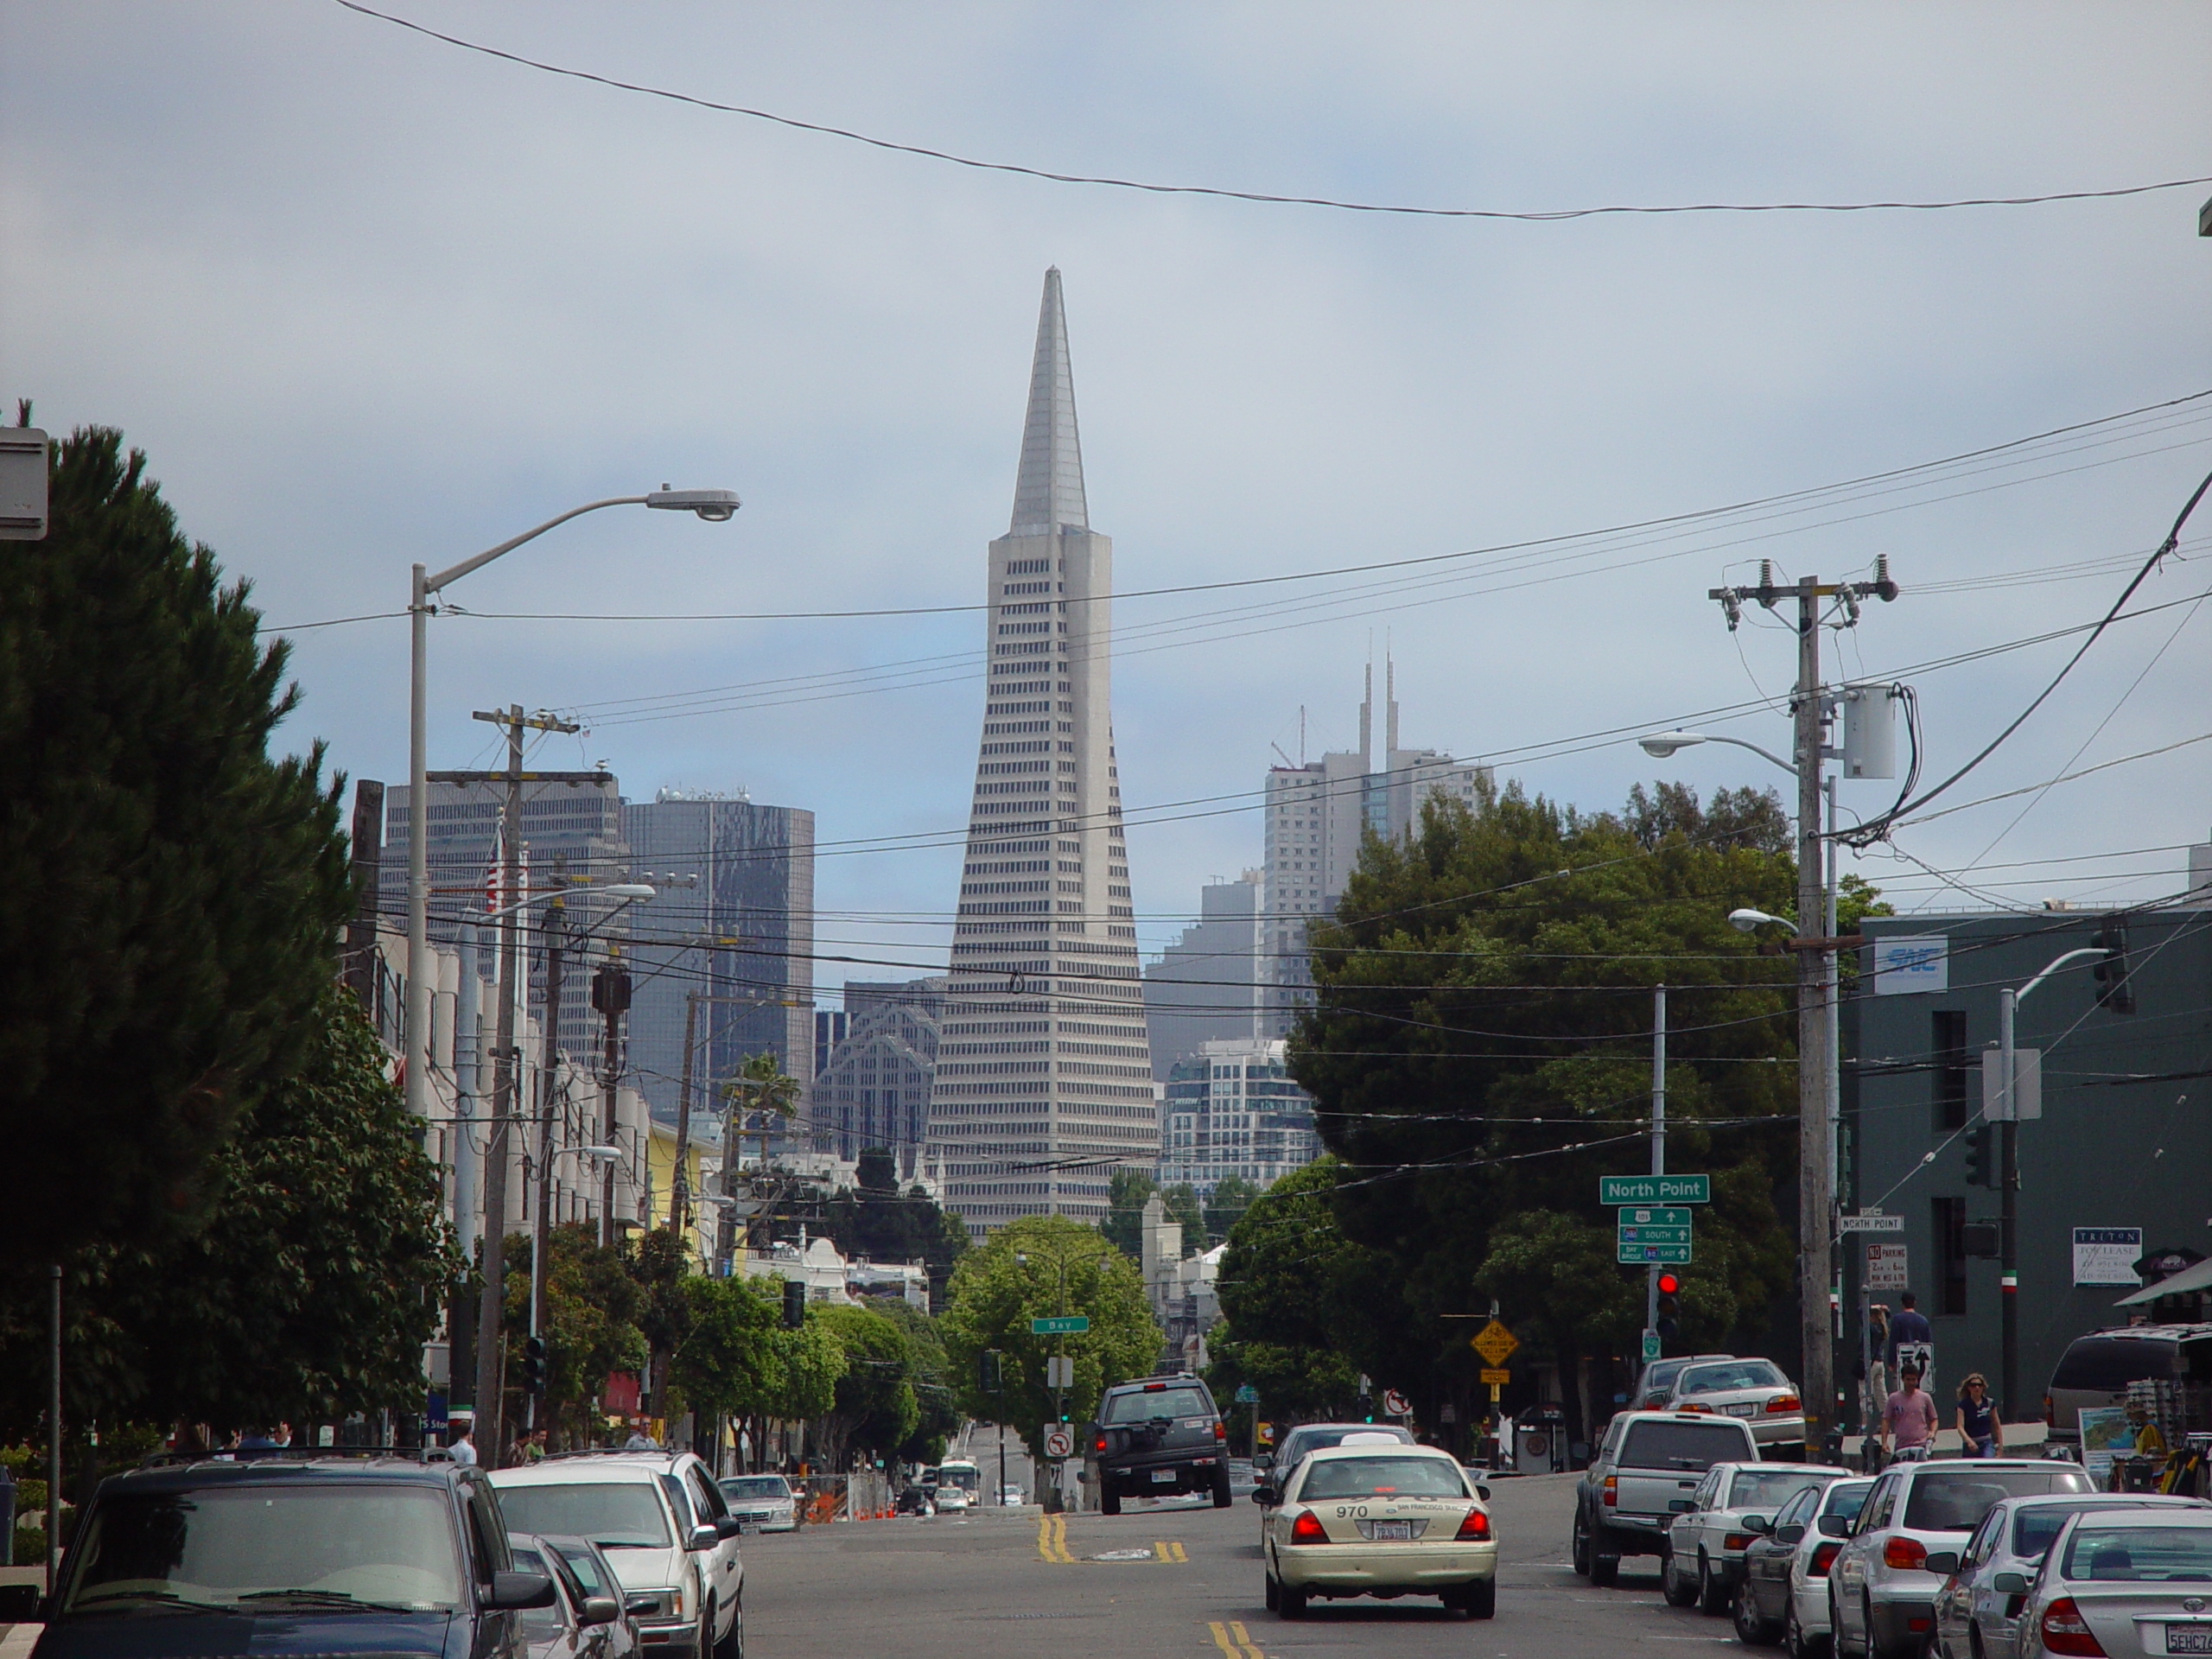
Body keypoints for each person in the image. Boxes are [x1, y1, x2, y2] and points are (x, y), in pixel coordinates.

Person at [1882, 1361, 1938, 1463]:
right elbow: (1886, 1420)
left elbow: (1934, 1419)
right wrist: (1884, 1442)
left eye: (1913, 1379)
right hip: (1901, 1445)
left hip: (1921, 1445)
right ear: (1903, 1379)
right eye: (1908, 1379)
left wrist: (1932, 1432)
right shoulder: (1893, 1398)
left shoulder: (1925, 1397)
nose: (1911, 1383)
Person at [1888, 1291, 1935, 1395]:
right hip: (1921, 1363)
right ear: (1915, 1303)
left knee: (1900, 1391)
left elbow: (1893, 1341)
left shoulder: (1897, 1319)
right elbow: (1928, 1343)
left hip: (1903, 1360)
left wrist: (1891, 1362)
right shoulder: (1923, 1321)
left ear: (1902, 1303)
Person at [1955, 1374, 2003, 1457]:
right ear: (1969, 1388)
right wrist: (1968, 1441)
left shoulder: (1989, 1403)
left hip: (1986, 1441)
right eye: (1973, 1385)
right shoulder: (1963, 1405)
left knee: (1986, 1464)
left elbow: (1997, 1425)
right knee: (1970, 1467)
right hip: (1971, 1442)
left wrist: (2000, 1445)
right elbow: (1960, 1427)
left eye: (1979, 1385)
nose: (1977, 1388)